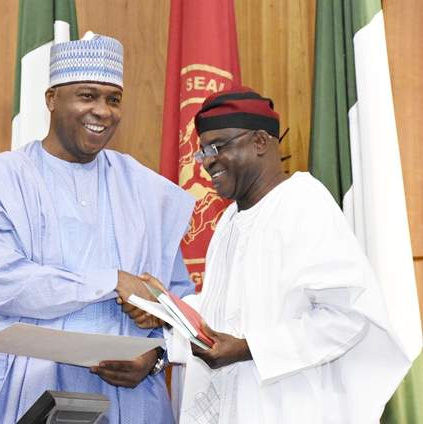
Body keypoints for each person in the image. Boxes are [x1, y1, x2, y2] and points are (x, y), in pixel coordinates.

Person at [0, 31, 195, 424]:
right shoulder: (0, 183)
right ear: (51, 99)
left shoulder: (148, 190)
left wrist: (156, 357)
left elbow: (179, 299)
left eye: (113, 99)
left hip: (133, 397)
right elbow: (3, 284)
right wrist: (112, 281)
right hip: (35, 387)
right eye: (88, 96)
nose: (103, 111)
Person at [132, 86, 411, 423]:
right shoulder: (229, 221)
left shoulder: (303, 203)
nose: (207, 162)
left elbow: (346, 317)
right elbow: (227, 309)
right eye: (203, 151)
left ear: (260, 141)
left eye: (217, 147)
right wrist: (168, 311)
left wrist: (248, 348)